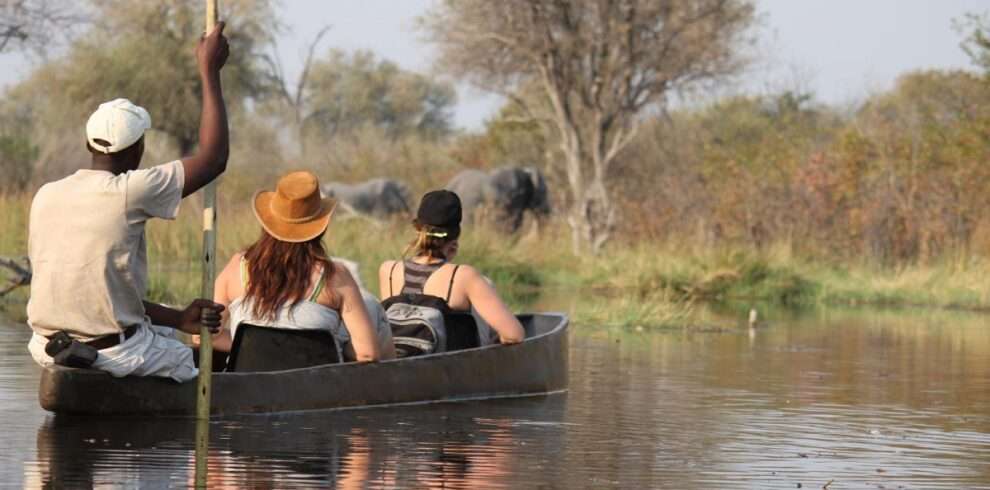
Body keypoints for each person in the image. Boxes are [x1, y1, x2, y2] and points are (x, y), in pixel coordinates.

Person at [25, 23, 231, 382]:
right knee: (204, 363)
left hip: (47, 347)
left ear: (90, 145)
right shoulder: (130, 190)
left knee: (168, 328)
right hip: (114, 355)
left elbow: (100, 296)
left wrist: (179, 318)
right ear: (138, 149)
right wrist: (208, 71)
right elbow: (214, 159)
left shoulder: (47, 194)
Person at [208, 170, 394, 362]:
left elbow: (204, 336)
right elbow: (367, 353)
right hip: (317, 388)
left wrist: (250, 348)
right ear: (320, 227)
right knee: (373, 308)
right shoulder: (335, 276)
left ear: (268, 223)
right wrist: (334, 349)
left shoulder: (236, 267)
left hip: (250, 386)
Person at [378, 190, 525, 357]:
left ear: (418, 229)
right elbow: (514, 335)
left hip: (400, 365)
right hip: (449, 371)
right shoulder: (463, 276)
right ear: (455, 236)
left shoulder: (388, 270)